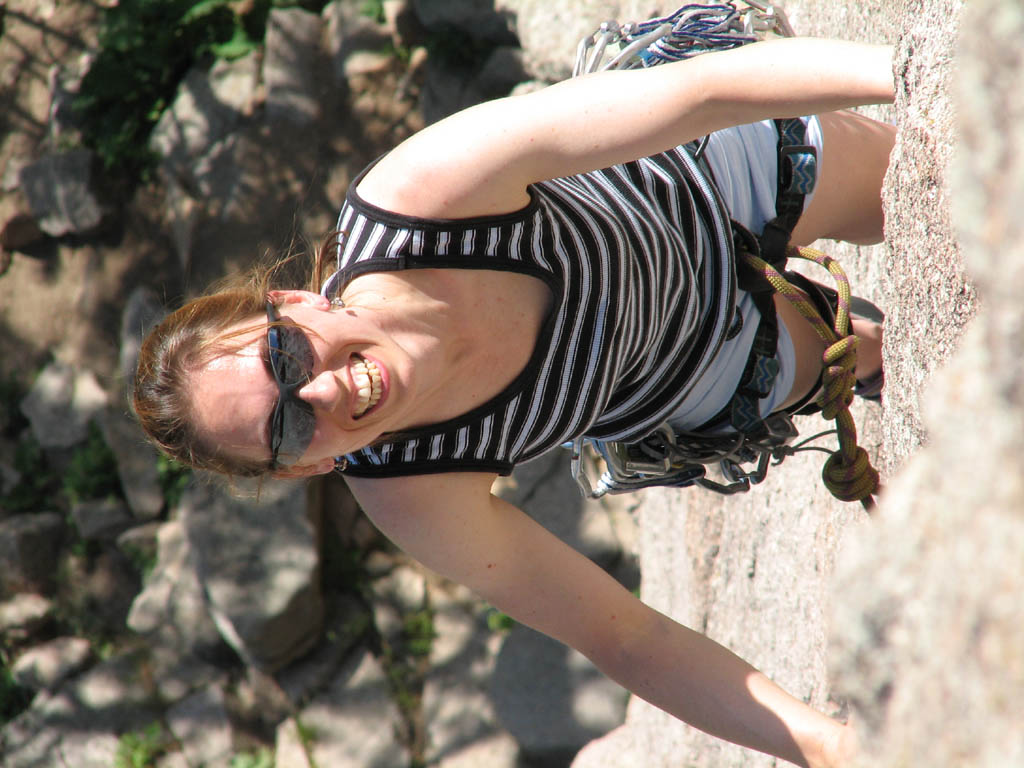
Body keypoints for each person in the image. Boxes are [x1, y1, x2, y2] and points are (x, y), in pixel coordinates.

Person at [134, 34, 896, 768]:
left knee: (917, 172)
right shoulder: (410, 491)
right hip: (702, 364)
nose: (324, 388)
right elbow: (624, 638)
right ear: (306, 468)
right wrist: (827, 749)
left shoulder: (416, 202)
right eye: (288, 424)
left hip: (703, 178)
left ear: (295, 299)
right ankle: (849, 347)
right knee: (863, 352)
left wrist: (906, 66)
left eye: (283, 354)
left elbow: (694, 94)